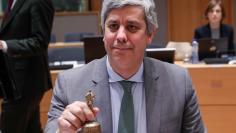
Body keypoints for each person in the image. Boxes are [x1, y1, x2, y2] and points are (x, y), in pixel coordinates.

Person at [45, 0, 205, 133]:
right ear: (103, 32)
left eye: (132, 27)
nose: (120, 36)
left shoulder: (179, 83)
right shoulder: (69, 84)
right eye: (113, 26)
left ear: (150, 34)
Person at [0, 0, 54, 132]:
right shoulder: (12, 2)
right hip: (13, 81)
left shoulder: (39, 2)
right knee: (31, 129)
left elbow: (40, 41)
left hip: (26, 81)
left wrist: (5, 45)